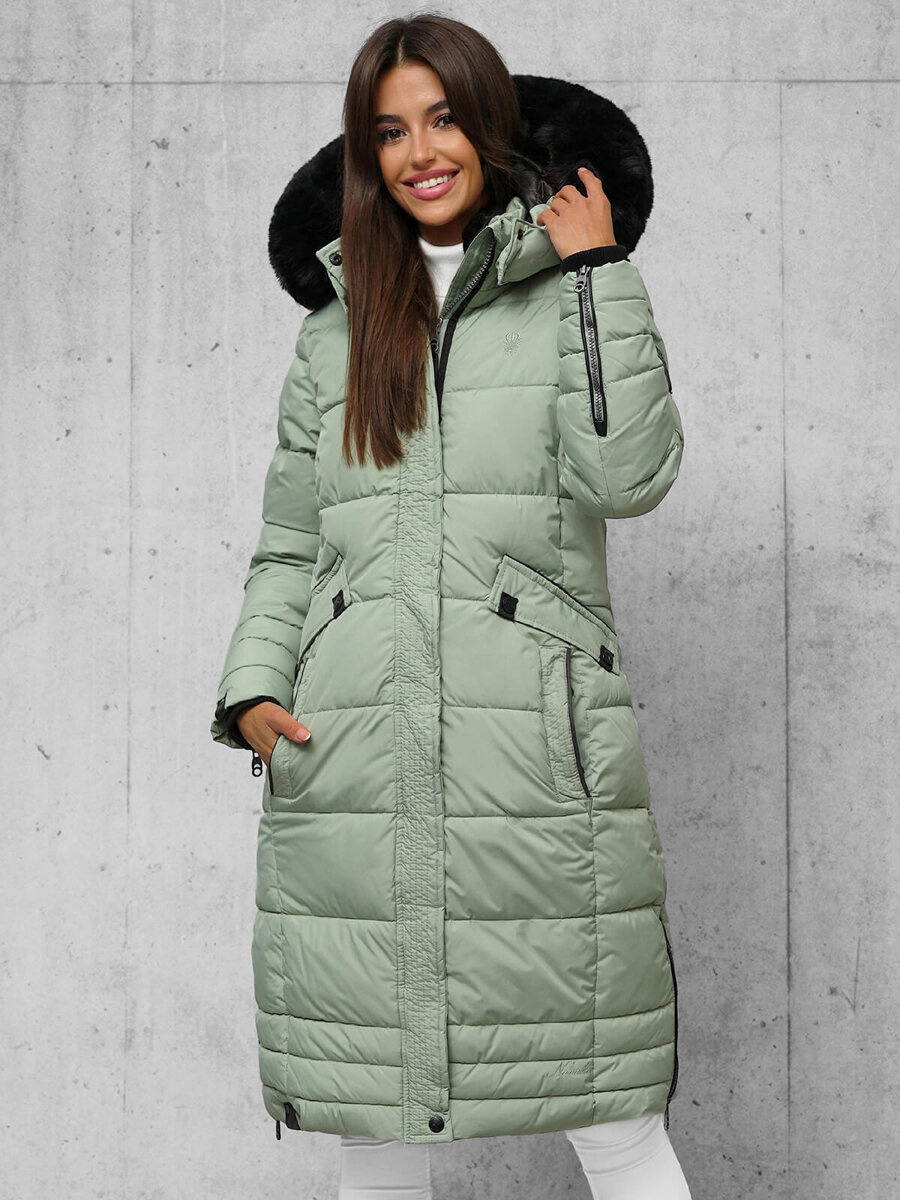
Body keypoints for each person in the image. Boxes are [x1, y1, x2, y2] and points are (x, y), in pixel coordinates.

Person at [210, 13, 691, 1199]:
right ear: (365, 155)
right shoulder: (334, 331)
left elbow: (629, 475)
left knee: (612, 1117)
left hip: (535, 758)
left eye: (442, 119)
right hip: (352, 757)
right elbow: (292, 540)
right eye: (389, 131)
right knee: (374, 1124)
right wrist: (255, 688)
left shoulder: (571, 288)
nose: (421, 152)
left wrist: (598, 272)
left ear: (490, 128)